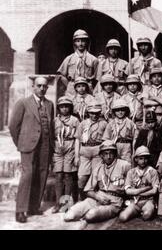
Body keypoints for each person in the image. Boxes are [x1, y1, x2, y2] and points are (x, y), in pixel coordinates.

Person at [9, 76, 55, 223]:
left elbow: (51, 126)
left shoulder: (50, 104)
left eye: (45, 86)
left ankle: (34, 207)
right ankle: (20, 210)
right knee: (27, 175)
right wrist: (21, 143)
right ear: (33, 87)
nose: (42, 89)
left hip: (45, 146)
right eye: (39, 86)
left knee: (41, 174)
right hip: (28, 145)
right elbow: (13, 126)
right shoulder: (23, 102)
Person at [64, 141, 130, 223]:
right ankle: (88, 211)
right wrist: (98, 197)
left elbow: (133, 184)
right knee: (69, 215)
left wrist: (126, 201)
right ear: (101, 155)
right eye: (105, 154)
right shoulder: (98, 167)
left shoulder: (124, 165)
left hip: (114, 201)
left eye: (111, 153)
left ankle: (92, 213)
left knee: (90, 216)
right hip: (98, 197)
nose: (108, 156)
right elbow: (88, 190)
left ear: (115, 153)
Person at [52, 96, 80, 214]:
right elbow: (51, 136)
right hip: (58, 148)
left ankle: (66, 202)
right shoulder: (55, 120)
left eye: (67, 106)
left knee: (68, 175)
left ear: (70, 108)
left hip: (70, 147)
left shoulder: (74, 120)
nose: (64, 109)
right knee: (58, 175)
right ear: (59, 108)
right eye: (62, 107)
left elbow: (77, 138)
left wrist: (77, 155)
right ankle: (58, 202)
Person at [75, 102, 108, 200]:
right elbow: (77, 139)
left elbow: (106, 140)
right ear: (88, 113)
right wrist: (77, 156)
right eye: (91, 113)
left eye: (96, 113)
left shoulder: (103, 123)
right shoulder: (83, 123)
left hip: (97, 151)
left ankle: (94, 199)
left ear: (100, 113)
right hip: (85, 151)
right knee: (82, 177)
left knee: (96, 176)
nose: (94, 115)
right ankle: (82, 199)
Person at [118, 146, 160, 222]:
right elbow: (128, 191)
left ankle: (143, 211)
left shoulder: (152, 171)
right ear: (136, 159)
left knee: (146, 215)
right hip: (135, 201)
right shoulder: (131, 172)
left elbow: (154, 191)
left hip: (148, 201)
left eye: (146, 158)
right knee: (122, 217)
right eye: (141, 158)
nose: (143, 161)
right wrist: (146, 188)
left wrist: (137, 192)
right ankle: (136, 212)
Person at [57, 29, 99, 96]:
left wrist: (90, 85)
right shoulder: (69, 58)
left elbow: (97, 77)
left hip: (87, 88)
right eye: (78, 41)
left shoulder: (93, 59)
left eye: (83, 41)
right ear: (74, 43)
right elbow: (61, 75)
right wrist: (69, 85)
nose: (80, 43)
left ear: (87, 42)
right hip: (72, 88)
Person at [102, 99, 137, 163]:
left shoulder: (130, 123)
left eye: (122, 110)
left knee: (127, 163)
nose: (120, 112)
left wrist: (134, 152)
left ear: (126, 111)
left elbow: (135, 138)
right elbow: (106, 138)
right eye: (117, 110)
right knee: (114, 163)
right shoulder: (111, 123)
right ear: (114, 112)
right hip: (114, 145)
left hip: (126, 145)